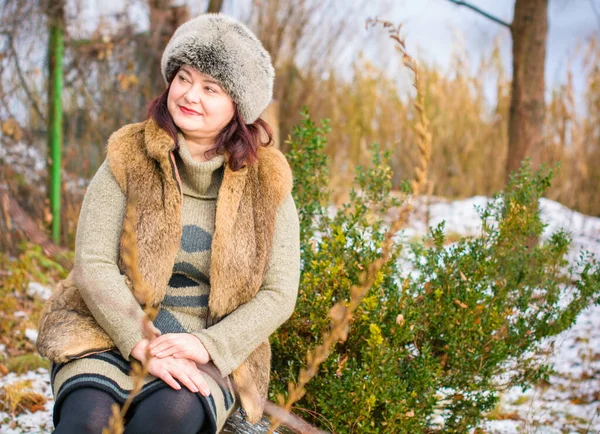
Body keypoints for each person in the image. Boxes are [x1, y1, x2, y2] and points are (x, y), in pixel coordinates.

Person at [36, 13, 300, 434]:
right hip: (109, 332)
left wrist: (206, 345)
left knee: (166, 421)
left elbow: (279, 292)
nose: (190, 94)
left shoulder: (266, 181)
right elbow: (93, 262)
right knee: (86, 422)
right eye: (183, 77)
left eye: (210, 87)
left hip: (206, 349)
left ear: (239, 105)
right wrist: (141, 343)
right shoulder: (128, 154)